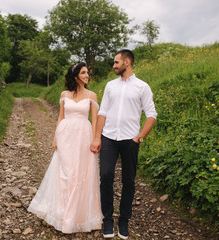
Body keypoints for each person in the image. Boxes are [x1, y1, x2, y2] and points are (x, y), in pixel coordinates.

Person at [28, 62, 103, 233]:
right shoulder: (64, 94)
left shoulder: (92, 95)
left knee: (79, 174)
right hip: (66, 136)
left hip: (83, 137)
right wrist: (55, 137)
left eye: (87, 73)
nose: (87, 76)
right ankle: (60, 213)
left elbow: (94, 120)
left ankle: (77, 217)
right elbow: (61, 117)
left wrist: (95, 140)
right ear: (76, 76)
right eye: (83, 73)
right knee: (64, 173)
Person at [90, 49, 157, 239]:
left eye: (116, 62)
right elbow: (102, 112)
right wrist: (97, 137)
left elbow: (151, 114)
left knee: (128, 180)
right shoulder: (110, 86)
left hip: (130, 140)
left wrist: (140, 137)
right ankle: (108, 220)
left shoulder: (142, 87)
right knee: (106, 175)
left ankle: (124, 220)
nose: (114, 65)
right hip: (109, 138)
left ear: (127, 62)